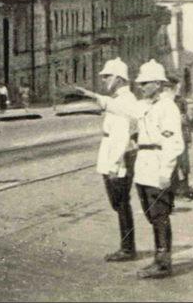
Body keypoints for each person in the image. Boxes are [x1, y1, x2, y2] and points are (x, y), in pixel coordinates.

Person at [76, 59, 184, 279]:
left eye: (145, 83)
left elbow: (174, 143)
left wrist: (166, 172)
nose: (140, 87)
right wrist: (93, 96)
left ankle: (163, 262)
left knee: (160, 214)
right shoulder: (145, 105)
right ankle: (160, 258)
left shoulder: (167, 107)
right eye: (140, 83)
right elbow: (121, 107)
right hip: (145, 165)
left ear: (157, 83)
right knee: (151, 213)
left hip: (158, 163)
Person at [93, 58, 138, 262]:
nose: (103, 80)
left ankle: (127, 249)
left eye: (107, 76)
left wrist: (114, 165)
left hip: (118, 157)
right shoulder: (121, 98)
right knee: (120, 204)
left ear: (119, 79)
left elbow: (121, 136)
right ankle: (127, 246)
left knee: (120, 203)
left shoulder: (124, 101)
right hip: (114, 154)